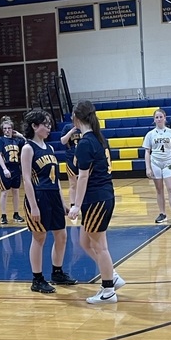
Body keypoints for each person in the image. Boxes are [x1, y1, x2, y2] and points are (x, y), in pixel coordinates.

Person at [68, 99, 124, 305]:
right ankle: (112, 275)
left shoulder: (85, 143)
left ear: (76, 118)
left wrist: (76, 205)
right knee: (85, 242)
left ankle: (108, 289)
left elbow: (83, 178)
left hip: (96, 199)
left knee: (100, 247)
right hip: (103, 196)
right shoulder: (100, 139)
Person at [21, 108, 77, 294]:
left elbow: (56, 179)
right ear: (35, 126)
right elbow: (27, 179)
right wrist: (34, 206)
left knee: (61, 235)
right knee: (39, 237)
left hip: (53, 195)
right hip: (38, 196)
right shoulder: (28, 148)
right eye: (45, 124)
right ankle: (37, 279)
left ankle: (57, 272)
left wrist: (62, 202)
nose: (48, 127)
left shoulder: (50, 148)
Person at [142, 109, 171, 224]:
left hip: (168, 163)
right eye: (157, 117)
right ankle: (162, 214)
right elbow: (147, 152)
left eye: (161, 117)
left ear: (165, 118)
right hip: (155, 163)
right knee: (159, 189)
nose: (159, 119)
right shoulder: (150, 134)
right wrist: (148, 167)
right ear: (154, 120)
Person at [0, 117, 25, 225]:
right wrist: (4, 169)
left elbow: (28, 144)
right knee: (4, 192)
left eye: (9, 128)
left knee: (16, 191)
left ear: (12, 129)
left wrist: (21, 135)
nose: (7, 130)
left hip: (16, 168)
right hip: (6, 168)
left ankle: (16, 213)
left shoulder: (17, 141)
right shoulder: (0, 140)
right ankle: (3, 215)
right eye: (5, 128)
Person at [60, 121, 81, 206]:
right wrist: (71, 132)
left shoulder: (85, 127)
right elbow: (63, 141)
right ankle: (72, 204)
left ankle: (83, 203)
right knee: (73, 183)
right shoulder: (68, 127)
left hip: (84, 156)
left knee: (86, 181)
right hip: (71, 157)